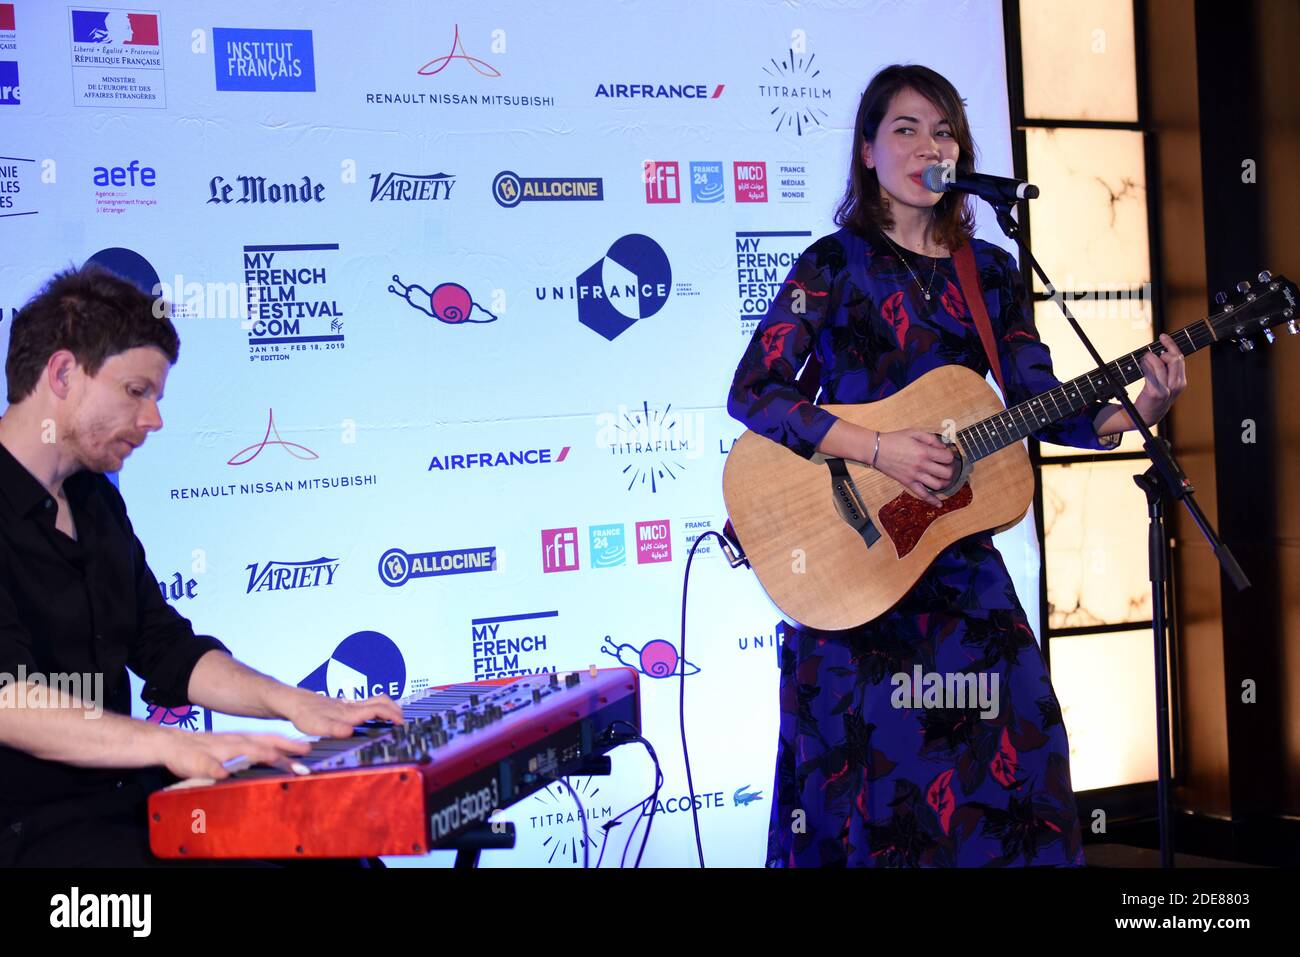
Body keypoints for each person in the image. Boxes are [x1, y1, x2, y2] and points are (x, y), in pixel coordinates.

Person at [728, 64, 1186, 867]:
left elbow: (1041, 398)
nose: (928, 145)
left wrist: (1135, 412)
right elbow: (754, 393)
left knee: (1028, 750)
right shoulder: (830, 268)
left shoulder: (992, 274)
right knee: (874, 788)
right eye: (905, 128)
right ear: (867, 151)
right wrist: (878, 448)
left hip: (956, 566)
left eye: (943, 131)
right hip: (857, 571)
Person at [0, 266, 404, 867]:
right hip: (29, 834)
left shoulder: (95, 498)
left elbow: (162, 645)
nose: (153, 420)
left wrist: (294, 703)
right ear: (62, 374)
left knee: (335, 852)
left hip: (131, 803)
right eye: (136, 392)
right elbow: (10, 702)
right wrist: (176, 743)